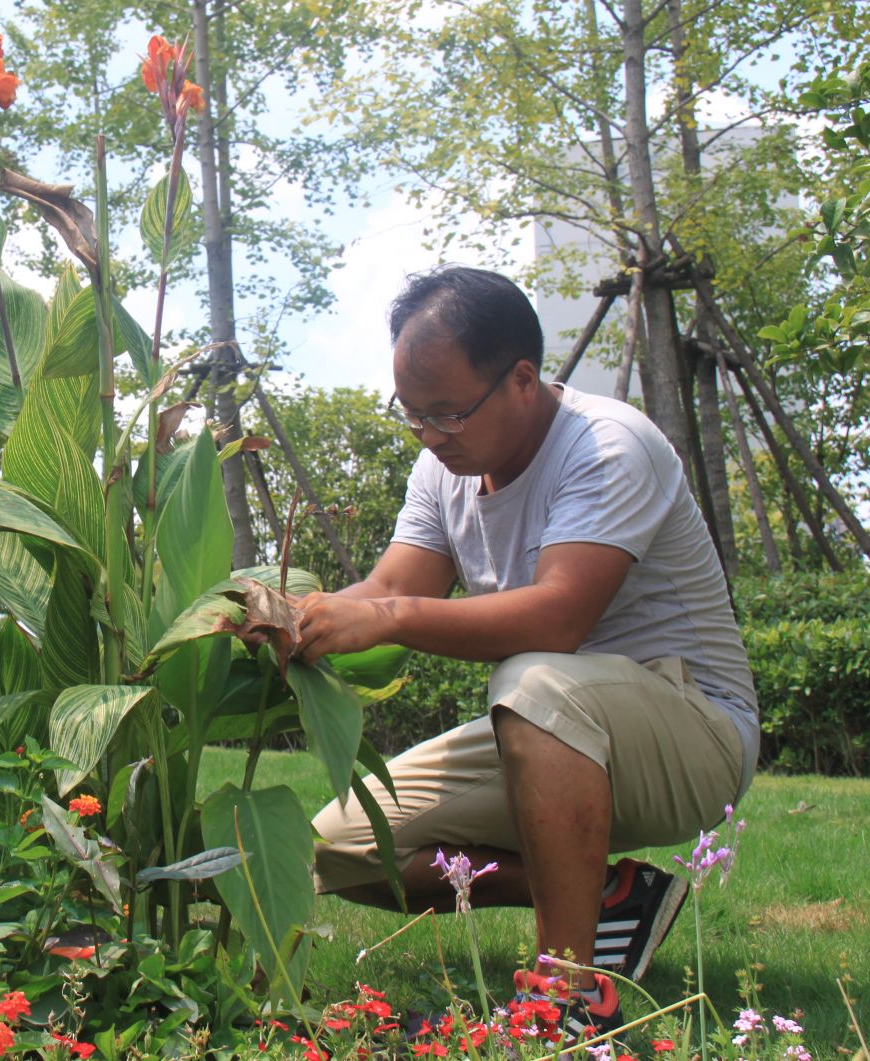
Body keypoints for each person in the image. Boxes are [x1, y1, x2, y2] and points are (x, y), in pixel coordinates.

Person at [295, 266, 757, 1041]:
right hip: (547, 724)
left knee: (534, 675)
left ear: (521, 378)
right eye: (412, 416)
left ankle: (567, 997)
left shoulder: (608, 446)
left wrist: (394, 617)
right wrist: (292, 616)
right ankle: (611, 896)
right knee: (343, 845)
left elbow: (560, 615)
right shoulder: (444, 468)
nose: (430, 436)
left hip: (691, 731)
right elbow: (389, 583)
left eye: (446, 414)